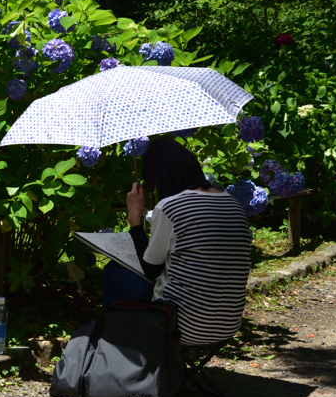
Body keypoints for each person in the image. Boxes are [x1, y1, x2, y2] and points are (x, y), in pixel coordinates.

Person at [101, 137, 252, 346]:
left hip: (181, 325)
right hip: (227, 326)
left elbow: (151, 270)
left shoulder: (171, 206)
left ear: (159, 177)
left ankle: (118, 349)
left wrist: (135, 220)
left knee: (113, 271)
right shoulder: (232, 203)